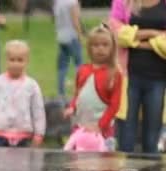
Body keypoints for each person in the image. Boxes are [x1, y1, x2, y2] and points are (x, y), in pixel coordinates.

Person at [114, 0, 166, 154]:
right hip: (128, 77)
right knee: (126, 137)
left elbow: (127, 36)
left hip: (158, 78)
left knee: (152, 139)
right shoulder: (122, 2)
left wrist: (134, 40)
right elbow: (117, 34)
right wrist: (154, 34)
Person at [63, 25, 123, 152]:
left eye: (105, 45)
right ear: (89, 48)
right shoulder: (83, 70)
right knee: (78, 163)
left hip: (103, 131)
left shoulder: (114, 74)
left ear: (112, 48)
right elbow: (78, 95)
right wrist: (72, 107)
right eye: (95, 45)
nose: (100, 48)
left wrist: (100, 125)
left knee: (103, 165)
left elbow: (115, 105)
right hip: (81, 127)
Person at [0, 40, 46, 148]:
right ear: (6, 61)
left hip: (24, 137)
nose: (16, 64)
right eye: (12, 60)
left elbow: (38, 110)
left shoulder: (31, 85)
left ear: (26, 61)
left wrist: (39, 133)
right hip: (0, 136)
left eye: (20, 60)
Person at [54, 0, 84, 100]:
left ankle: (61, 92)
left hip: (61, 36)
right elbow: (75, 20)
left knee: (62, 66)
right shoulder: (72, 2)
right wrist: (80, 35)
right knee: (79, 64)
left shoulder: (58, 2)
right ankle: (80, 90)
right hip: (72, 36)